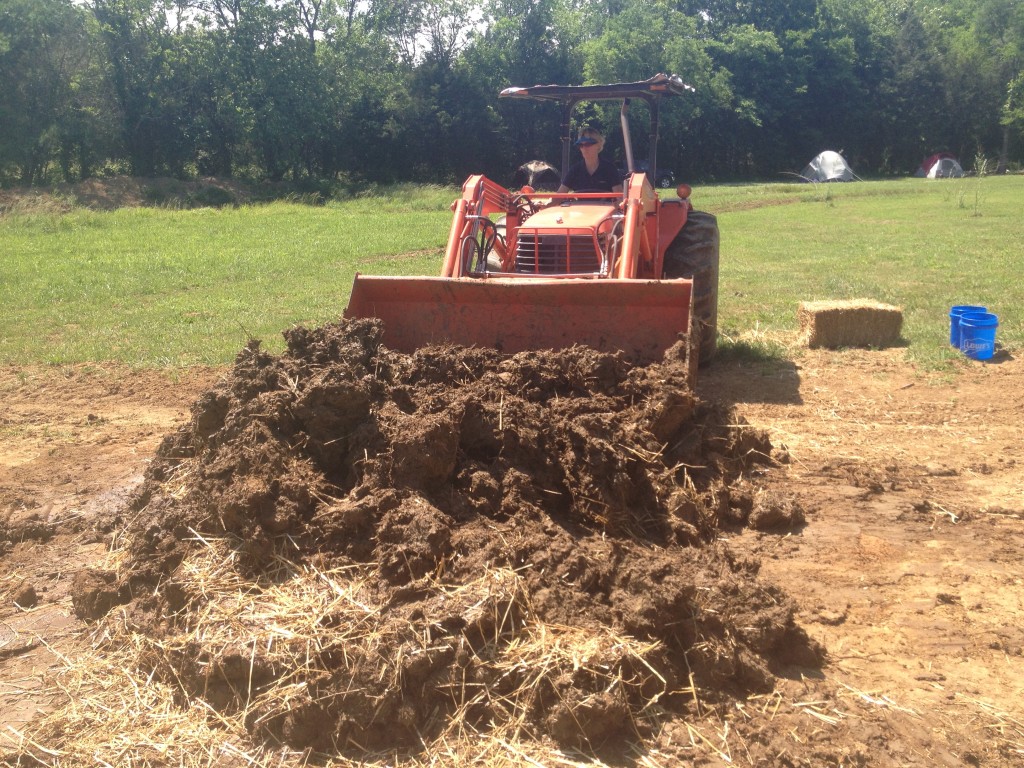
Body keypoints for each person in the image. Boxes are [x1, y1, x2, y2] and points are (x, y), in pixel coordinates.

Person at [557, 127, 623, 193]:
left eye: (588, 144)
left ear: (598, 145)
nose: (584, 148)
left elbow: (619, 198)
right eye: (580, 145)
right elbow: (559, 197)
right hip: (581, 203)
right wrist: (548, 203)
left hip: (605, 203)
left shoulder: (610, 169)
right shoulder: (574, 170)